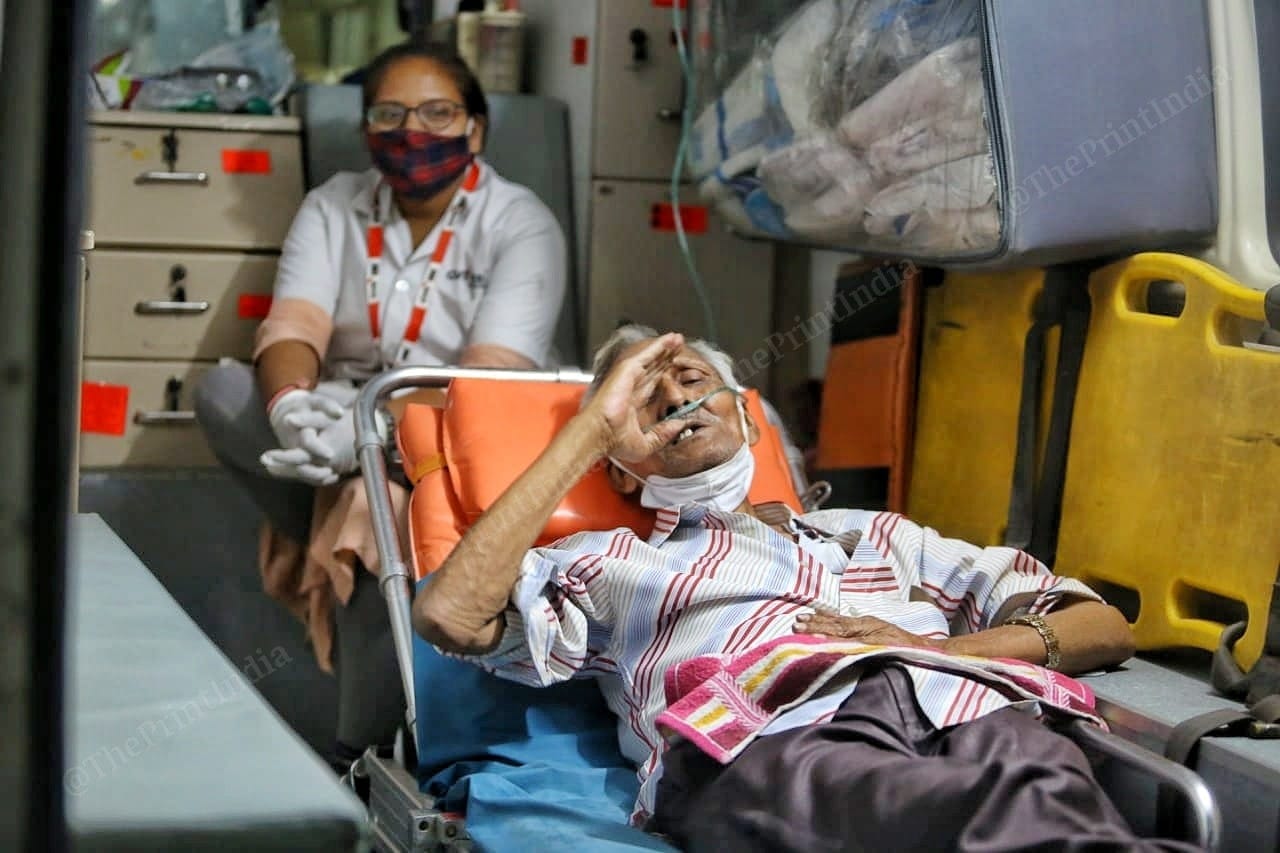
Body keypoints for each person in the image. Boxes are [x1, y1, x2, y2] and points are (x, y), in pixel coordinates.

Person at [413, 324, 1198, 852]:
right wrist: (589, 430)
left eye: (692, 379)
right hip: (761, 736)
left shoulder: (881, 534)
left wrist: (940, 647)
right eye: (645, 399)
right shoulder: (611, 563)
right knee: (994, 821)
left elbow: (1103, 625)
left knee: (1043, 786)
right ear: (621, 465)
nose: (674, 394)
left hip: (966, 702)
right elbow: (449, 613)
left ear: (751, 424)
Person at [194, 40, 567, 769]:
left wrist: (373, 436)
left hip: (464, 435)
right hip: (337, 413)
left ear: (476, 129)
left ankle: (355, 752)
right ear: (367, 128)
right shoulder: (333, 205)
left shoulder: (522, 224)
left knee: (373, 513)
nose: (412, 132)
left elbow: (486, 381)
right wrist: (291, 408)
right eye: (390, 113)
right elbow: (293, 326)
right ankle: (338, 504)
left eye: (437, 112)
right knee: (222, 392)